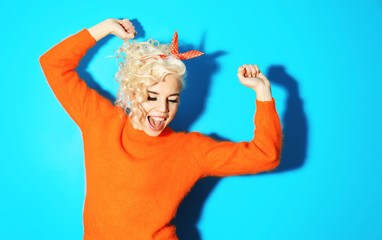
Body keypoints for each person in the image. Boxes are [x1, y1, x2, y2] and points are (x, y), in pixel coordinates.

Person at [40, 18, 282, 240]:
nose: (162, 109)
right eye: (152, 96)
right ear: (135, 93)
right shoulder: (101, 121)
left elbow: (265, 156)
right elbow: (52, 64)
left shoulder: (189, 150)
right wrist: (104, 28)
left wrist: (262, 92)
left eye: (172, 99)